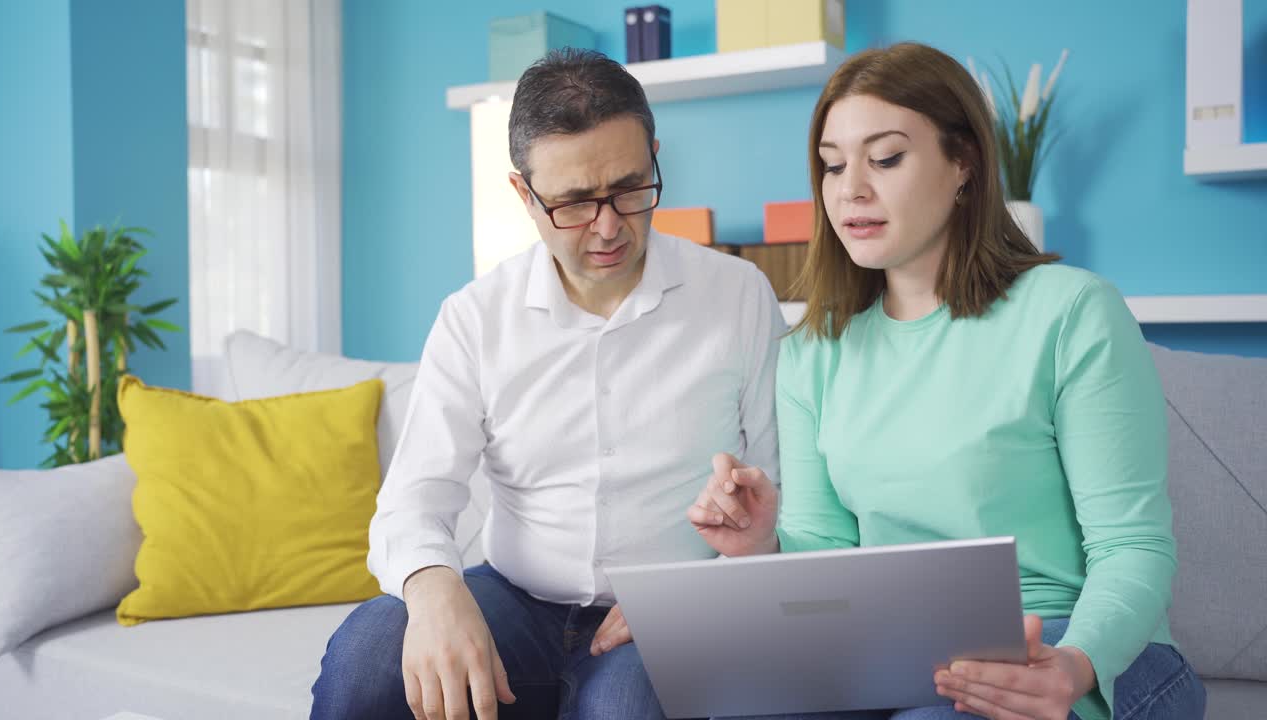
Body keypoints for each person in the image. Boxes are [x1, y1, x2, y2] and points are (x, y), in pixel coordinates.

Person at [689, 42, 1206, 720]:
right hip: (896, 651)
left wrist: (1072, 667)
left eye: (886, 158)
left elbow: (1132, 548)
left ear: (963, 163)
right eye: (833, 165)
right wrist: (762, 546)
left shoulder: (1072, 312)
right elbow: (827, 554)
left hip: (1071, 647)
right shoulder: (813, 349)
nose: (852, 190)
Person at [311, 47, 786, 720]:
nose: (609, 226)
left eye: (628, 186)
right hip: (512, 602)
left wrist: (697, 596)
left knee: (626, 707)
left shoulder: (739, 296)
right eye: (571, 203)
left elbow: (780, 487)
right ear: (523, 195)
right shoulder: (475, 317)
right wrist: (433, 590)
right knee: (366, 655)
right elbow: (414, 497)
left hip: (668, 608)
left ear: (654, 154)